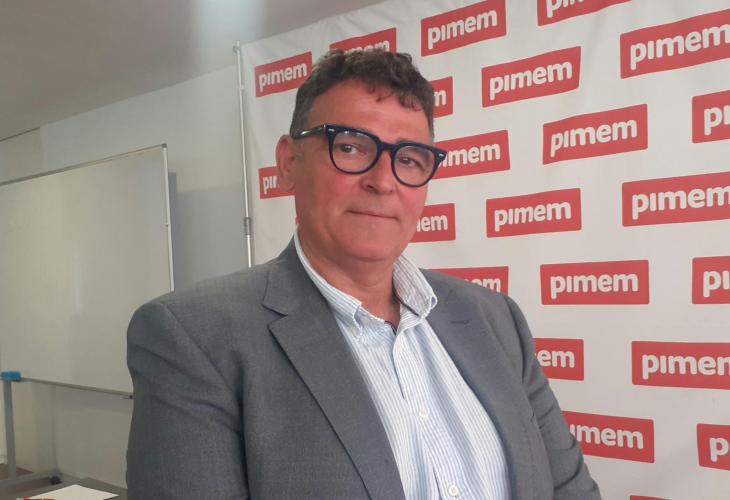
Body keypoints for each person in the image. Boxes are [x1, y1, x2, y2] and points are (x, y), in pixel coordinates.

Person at [126, 49, 601, 500]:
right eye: (351, 147)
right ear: (289, 163)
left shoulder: (495, 318)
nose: (383, 181)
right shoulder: (193, 337)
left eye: (409, 159)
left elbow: (568, 488)